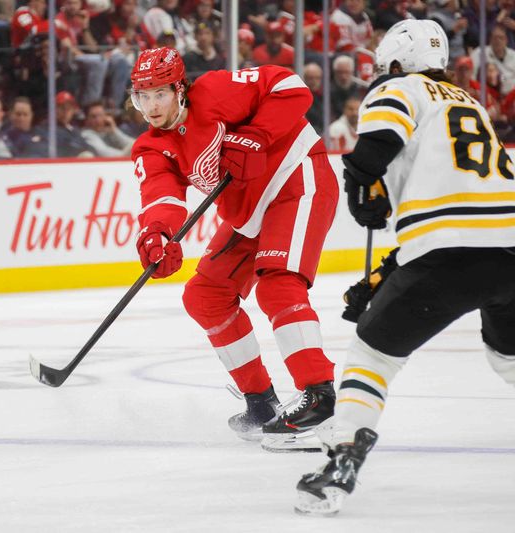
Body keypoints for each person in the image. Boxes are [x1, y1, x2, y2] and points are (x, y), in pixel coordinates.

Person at [295, 20, 515, 516]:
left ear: (396, 63)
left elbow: (373, 152)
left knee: (371, 358)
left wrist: (358, 183)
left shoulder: (398, 89)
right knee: (510, 361)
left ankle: (341, 462)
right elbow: (466, 205)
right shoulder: (469, 101)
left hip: (450, 251)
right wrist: (385, 274)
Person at [129, 47, 338, 451]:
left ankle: (320, 397)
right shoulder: (152, 146)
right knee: (205, 296)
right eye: (143, 96)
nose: (151, 106)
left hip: (296, 177)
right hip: (249, 211)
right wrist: (157, 235)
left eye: (159, 94)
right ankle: (261, 403)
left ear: (180, 89)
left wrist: (258, 134)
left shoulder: (216, 91)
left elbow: (292, 88)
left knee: (278, 285)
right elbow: (161, 197)